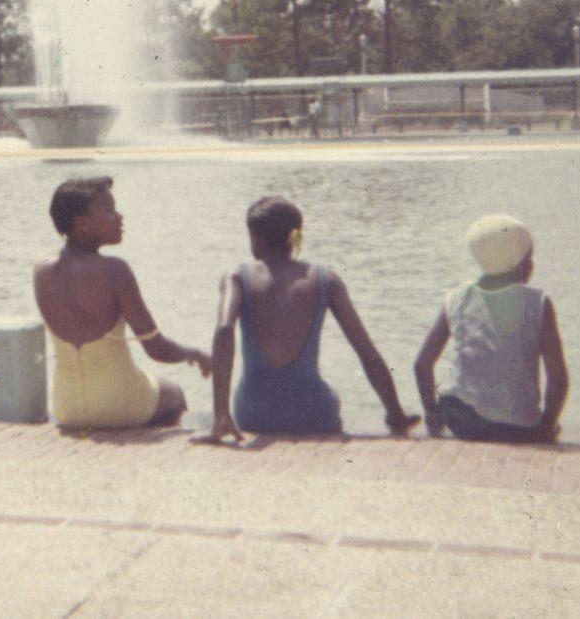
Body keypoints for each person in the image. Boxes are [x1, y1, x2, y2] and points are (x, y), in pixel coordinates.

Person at [202, 196, 419, 441]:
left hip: (253, 413)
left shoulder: (237, 277)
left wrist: (221, 412)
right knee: (333, 398)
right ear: (294, 238)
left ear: (257, 241)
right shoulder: (326, 279)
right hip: (313, 413)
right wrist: (395, 414)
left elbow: (223, 331)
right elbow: (366, 352)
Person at [34, 177, 211, 430]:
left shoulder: (41, 269)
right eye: (109, 211)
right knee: (174, 393)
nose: (119, 217)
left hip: (67, 406)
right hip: (120, 404)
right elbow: (156, 349)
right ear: (82, 223)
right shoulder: (114, 270)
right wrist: (195, 354)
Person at [414, 213, 568, 443]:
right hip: (518, 425)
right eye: (528, 257)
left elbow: (422, 364)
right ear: (517, 262)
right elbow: (559, 380)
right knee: (550, 426)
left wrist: (433, 415)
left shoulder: (458, 297)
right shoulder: (537, 303)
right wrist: (546, 426)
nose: (532, 264)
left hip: (460, 420)